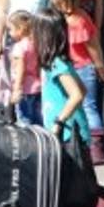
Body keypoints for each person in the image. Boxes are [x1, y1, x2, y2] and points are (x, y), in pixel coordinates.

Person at [54, 0, 104, 164]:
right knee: (85, 106)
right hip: (78, 67)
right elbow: (94, 45)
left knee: (84, 106)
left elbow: (92, 46)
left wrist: (100, 66)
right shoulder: (76, 17)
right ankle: (90, 147)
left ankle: (94, 148)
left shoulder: (72, 20)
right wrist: (99, 65)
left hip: (76, 68)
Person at [32, 10, 90, 146]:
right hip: (66, 132)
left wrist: (59, 121)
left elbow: (77, 94)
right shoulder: (59, 62)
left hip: (68, 134)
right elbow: (82, 89)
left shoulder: (56, 64)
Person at [8, 10, 42, 126]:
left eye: (11, 29)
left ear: (20, 29)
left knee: (24, 120)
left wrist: (17, 89)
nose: (9, 33)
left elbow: (20, 70)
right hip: (37, 86)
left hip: (25, 89)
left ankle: (27, 143)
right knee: (38, 119)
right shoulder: (36, 43)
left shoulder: (19, 47)